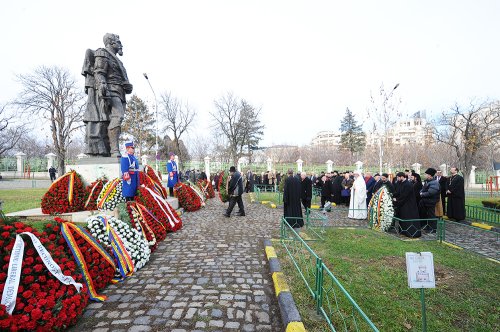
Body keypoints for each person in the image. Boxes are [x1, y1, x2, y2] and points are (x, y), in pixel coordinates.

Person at [82, 33, 133, 157]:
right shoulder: (102, 53)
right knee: (117, 116)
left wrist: (127, 86)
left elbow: (119, 77)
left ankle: (109, 148)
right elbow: (99, 72)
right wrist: (103, 87)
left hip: (120, 92)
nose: (121, 44)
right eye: (118, 41)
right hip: (110, 91)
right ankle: (114, 150)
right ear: (111, 42)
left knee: (114, 119)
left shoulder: (117, 60)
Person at [393, 172, 421, 237]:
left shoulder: (408, 184)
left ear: (402, 177)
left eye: (398, 177)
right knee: (403, 217)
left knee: (408, 218)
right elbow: (398, 192)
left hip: (409, 204)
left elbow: (405, 195)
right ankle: (403, 231)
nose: (397, 179)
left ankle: (410, 232)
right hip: (403, 204)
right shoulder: (400, 183)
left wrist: (397, 200)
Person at [419, 168, 440, 232]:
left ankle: (433, 229)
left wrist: (422, 194)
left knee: (431, 215)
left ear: (430, 175)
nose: (425, 175)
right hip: (427, 201)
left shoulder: (434, 183)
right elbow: (423, 189)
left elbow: (431, 192)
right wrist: (421, 192)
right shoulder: (428, 181)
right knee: (427, 214)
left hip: (431, 201)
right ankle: (428, 226)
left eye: (426, 174)